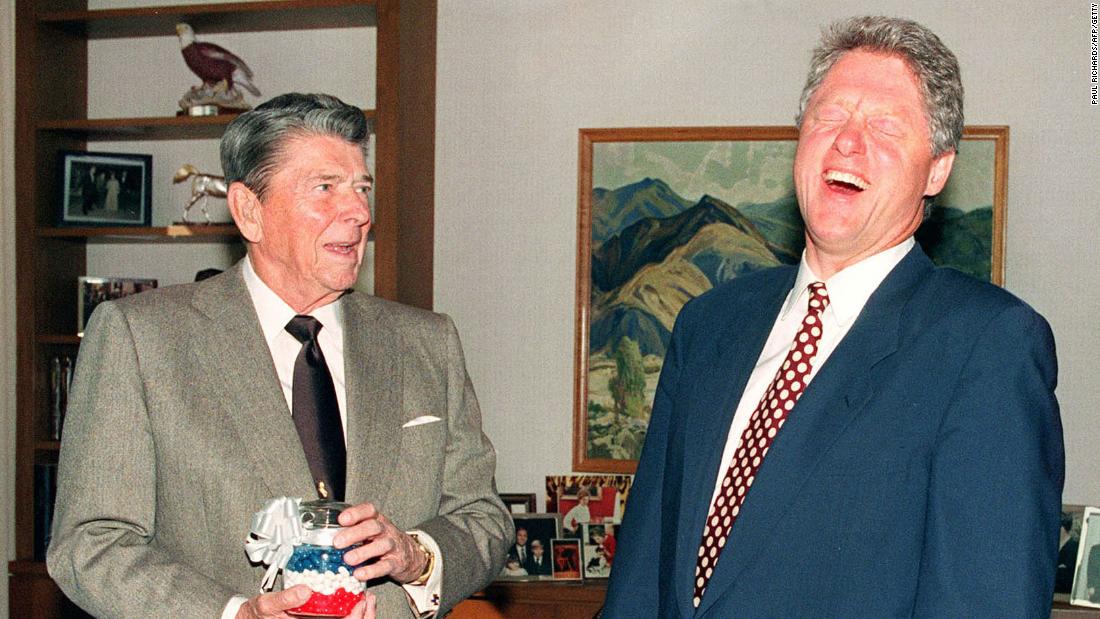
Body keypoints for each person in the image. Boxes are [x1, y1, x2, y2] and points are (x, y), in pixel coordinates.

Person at [604, 16, 1062, 618]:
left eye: (884, 126)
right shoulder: (709, 325)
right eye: (830, 116)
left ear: (937, 170)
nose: (848, 141)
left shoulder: (988, 345)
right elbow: (641, 580)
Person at [47, 92, 513, 619]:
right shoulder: (141, 337)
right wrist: (232, 614)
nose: (359, 212)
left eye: (363, 188)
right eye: (325, 188)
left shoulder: (427, 342)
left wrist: (416, 555)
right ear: (249, 210)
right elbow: (91, 544)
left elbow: (483, 518)